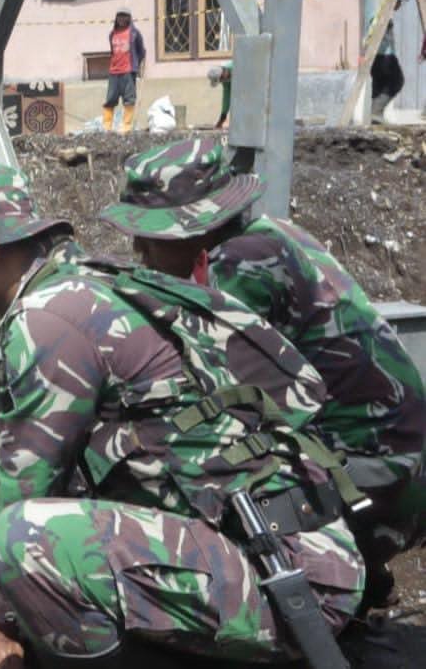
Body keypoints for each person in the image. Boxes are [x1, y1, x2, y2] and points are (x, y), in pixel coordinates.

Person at [0, 164, 363, 669]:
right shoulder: (88, 287)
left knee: (23, 538)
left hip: (288, 583)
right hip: (288, 556)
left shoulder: (48, 318)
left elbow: (29, 480)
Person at [100, 135, 426, 606]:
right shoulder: (272, 235)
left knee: (189, 478)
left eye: (153, 237)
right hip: (393, 457)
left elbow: (214, 393)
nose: (140, 252)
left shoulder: (238, 265)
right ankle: (355, 575)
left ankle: (318, 589)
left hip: (374, 471)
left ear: (196, 229)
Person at [102, 7, 145, 133]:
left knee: (129, 99)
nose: (121, 19)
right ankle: (107, 127)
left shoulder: (134, 33)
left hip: (128, 71)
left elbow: (141, 51)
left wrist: (136, 66)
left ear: (129, 18)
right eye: (119, 16)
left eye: (124, 16)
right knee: (110, 99)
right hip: (114, 72)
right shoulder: (112, 34)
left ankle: (126, 127)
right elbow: (112, 51)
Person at [371, 21, 404, 124]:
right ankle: (376, 111)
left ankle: (375, 115)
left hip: (375, 58)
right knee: (397, 81)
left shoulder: (373, 20)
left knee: (379, 86)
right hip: (386, 57)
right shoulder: (381, 19)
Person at [207, 61, 231, 129]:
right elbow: (227, 97)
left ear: (224, 73)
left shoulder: (237, 67)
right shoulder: (226, 80)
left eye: (220, 80)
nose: (221, 82)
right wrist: (223, 116)